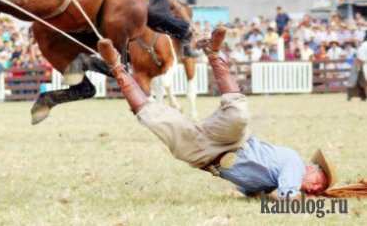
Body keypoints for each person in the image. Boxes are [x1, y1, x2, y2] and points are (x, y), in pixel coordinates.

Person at [97, 28, 336, 199]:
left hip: (204, 157)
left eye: (317, 190)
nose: (315, 189)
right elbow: (286, 200)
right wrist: (315, 202)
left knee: (153, 118)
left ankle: (116, 67)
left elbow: (247, 189)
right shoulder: (294, 164)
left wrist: (252, 194)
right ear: (311, 168)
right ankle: (213, 53)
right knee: (238, 115)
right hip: (232, 141)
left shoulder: (267, 184)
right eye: (318, 183)